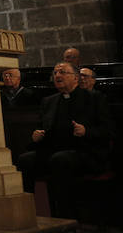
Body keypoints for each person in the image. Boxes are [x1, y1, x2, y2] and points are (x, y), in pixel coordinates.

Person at [17, 62, 114, 219]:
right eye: (55, 72)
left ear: (75, 78)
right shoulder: (49, 101)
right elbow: (42, 128)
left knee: (60, 160)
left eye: (62, 72)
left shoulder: (94, 98)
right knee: (25, 160)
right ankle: (28, 215)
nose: (57, 75)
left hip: (86, 152)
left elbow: (108, 130)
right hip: (54, 151)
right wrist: (36, 136)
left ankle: (65, 218)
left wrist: (86, 131)